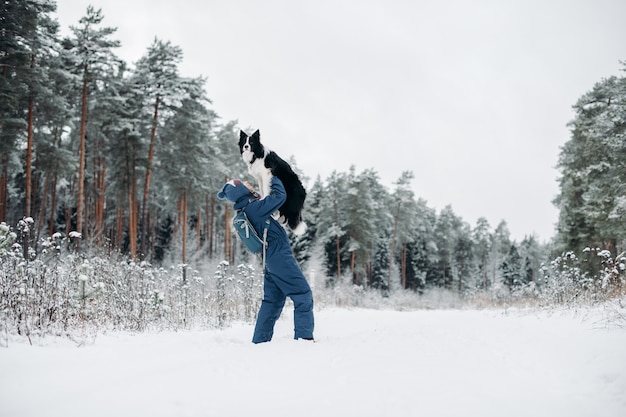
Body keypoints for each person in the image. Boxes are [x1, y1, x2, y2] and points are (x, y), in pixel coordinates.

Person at [217, 177, 314, 343]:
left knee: (272, 301)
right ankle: (304, 339)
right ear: (242, 191)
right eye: (246, 185)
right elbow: (280, 196)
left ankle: (260, 341)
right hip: (279, 256)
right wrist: (273, 176)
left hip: (269, 258)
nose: (250, 184)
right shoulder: (254, 208)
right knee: (302, 294)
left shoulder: (247, 209)